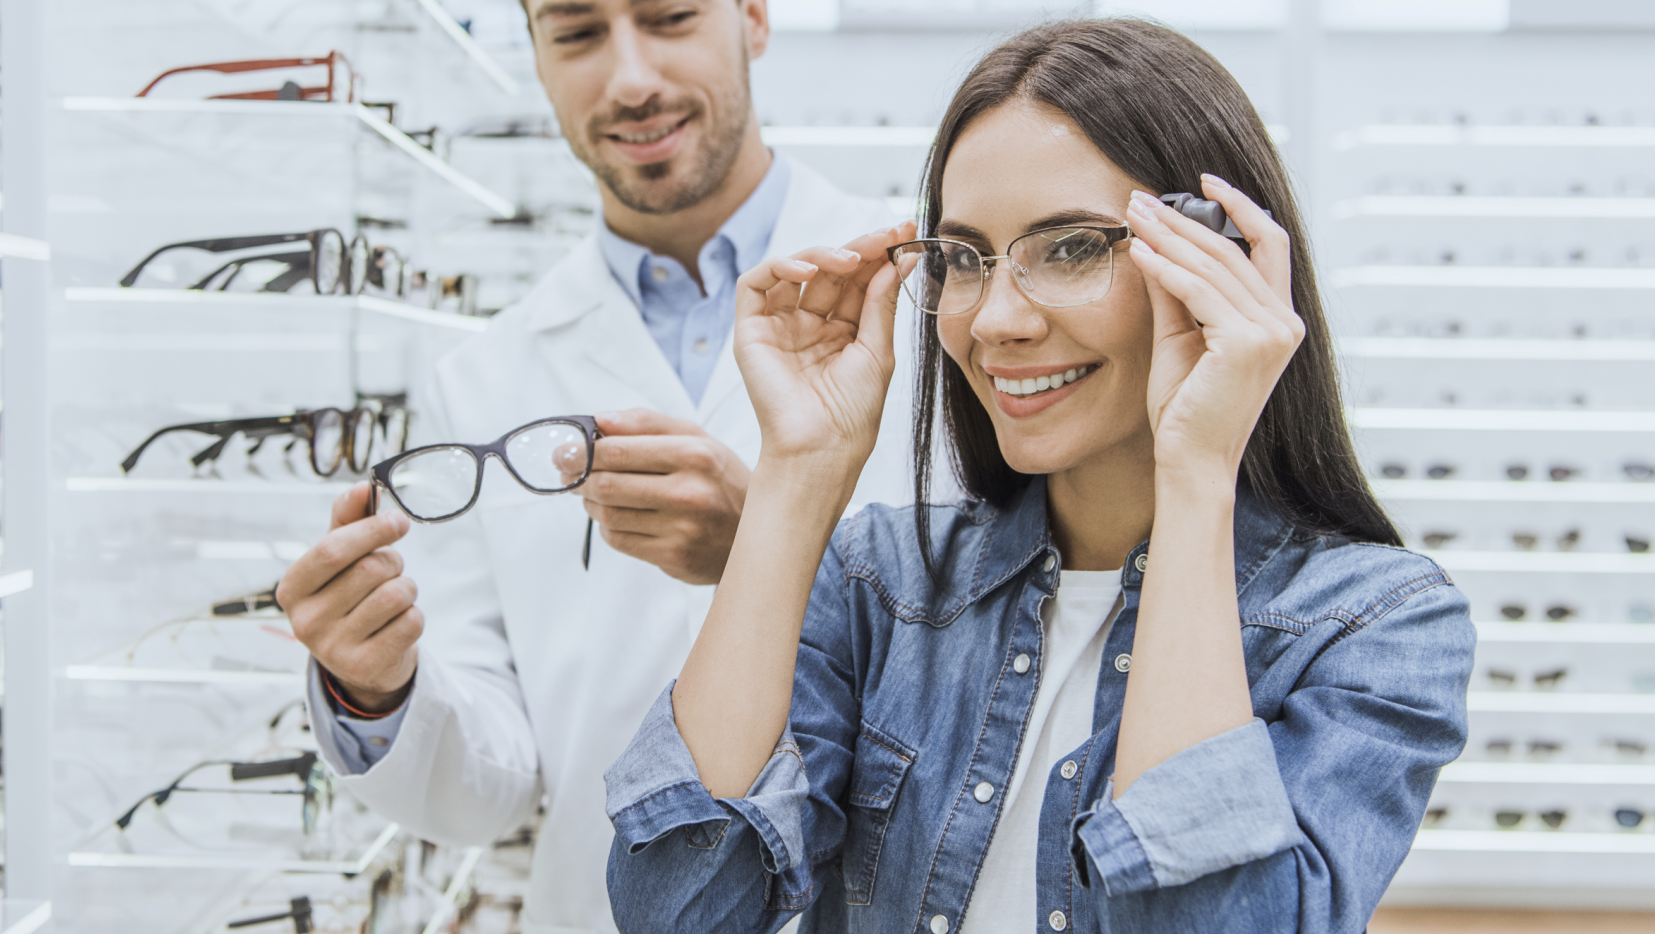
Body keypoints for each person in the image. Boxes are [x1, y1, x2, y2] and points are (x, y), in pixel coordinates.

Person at [603, 18, 1474, 934]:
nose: (995, 321)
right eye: (965, 258)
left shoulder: (1379, 626)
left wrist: (1196, 471)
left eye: (1070, 248)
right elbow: (680, 911)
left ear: (1215, 263)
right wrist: (799, 470)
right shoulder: (876, 585)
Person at [274, 1, 914, 930]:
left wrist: (769, 542)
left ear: (754, 20)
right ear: (535, 56)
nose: (629, 79)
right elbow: (491, 787)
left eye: (668, 17)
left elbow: (1004, 666)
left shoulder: (925, 300)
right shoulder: (486, 377)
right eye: (576, 33)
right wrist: (375, 691)